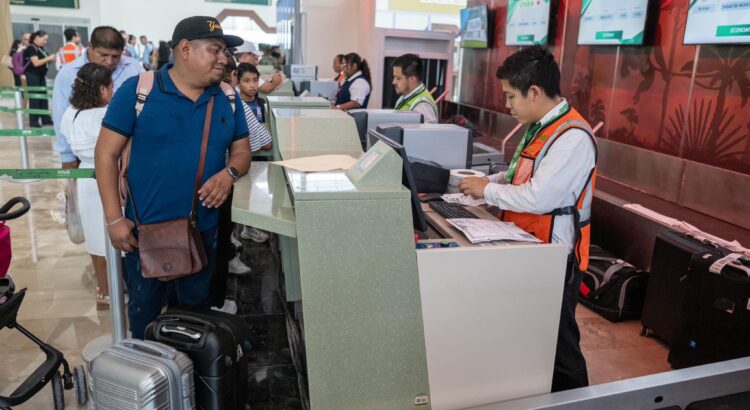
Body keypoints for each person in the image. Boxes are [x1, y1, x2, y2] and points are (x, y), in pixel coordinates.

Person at [95, 16, 251, 339]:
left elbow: (242, 152)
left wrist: (229, 173)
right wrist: (113, 218)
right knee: (145, 324)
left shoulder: (227, 98)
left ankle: (187, 386)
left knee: (193, 325)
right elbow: (106, 155)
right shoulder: (139, 92)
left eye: (225, 51)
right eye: (215, 50)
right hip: (143, 236)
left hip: (200, 235)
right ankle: (152, 386)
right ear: (185, 49)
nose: (224, 59)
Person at [458, 46, 596, 392]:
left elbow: (539, 196)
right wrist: (488, 182)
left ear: (534, 92)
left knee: (560, 346)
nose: (508, 105)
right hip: (527, 248)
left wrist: (486, 191)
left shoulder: (572, 137)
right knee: (529, 339)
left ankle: (579, 402)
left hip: (554, 256)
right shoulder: (540, 127)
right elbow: (521, 174)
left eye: (510, 96)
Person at [59, 63, 114, 310]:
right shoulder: (106, 116)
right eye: (111, 86)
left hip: (84, 179)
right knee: (113, 235)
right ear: (102, 89)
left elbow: (67, 145)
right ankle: (117, 284)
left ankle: (103, 289)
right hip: (109, 177)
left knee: (94, 239)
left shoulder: (71, 113)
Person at [53, 25, 144, 169]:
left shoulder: (134, 69)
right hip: (86, 159)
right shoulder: (68, 73)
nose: (109, 61)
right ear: (90, 47)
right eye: (104, 55)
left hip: (130, 157)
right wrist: (67, 156)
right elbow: (60, 115)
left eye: (115, 56)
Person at [392, 53, 438, 124]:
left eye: (398, 78)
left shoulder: (423, 105)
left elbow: (428, 134)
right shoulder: (403, 99)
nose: (393, 82)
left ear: (412, 79)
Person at [24, 30, 55, 128]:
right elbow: (36, 63)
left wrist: (50, 60)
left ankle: (45, 119)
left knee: (43, 98)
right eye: (44, 39)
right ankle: (34, 122)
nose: (45, 42)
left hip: (41, 76)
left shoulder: (41, 48)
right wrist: (48, 58)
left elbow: (45, 61)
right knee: (35, 98)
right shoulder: (31, 48)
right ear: (37, 37)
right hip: (33, 75)